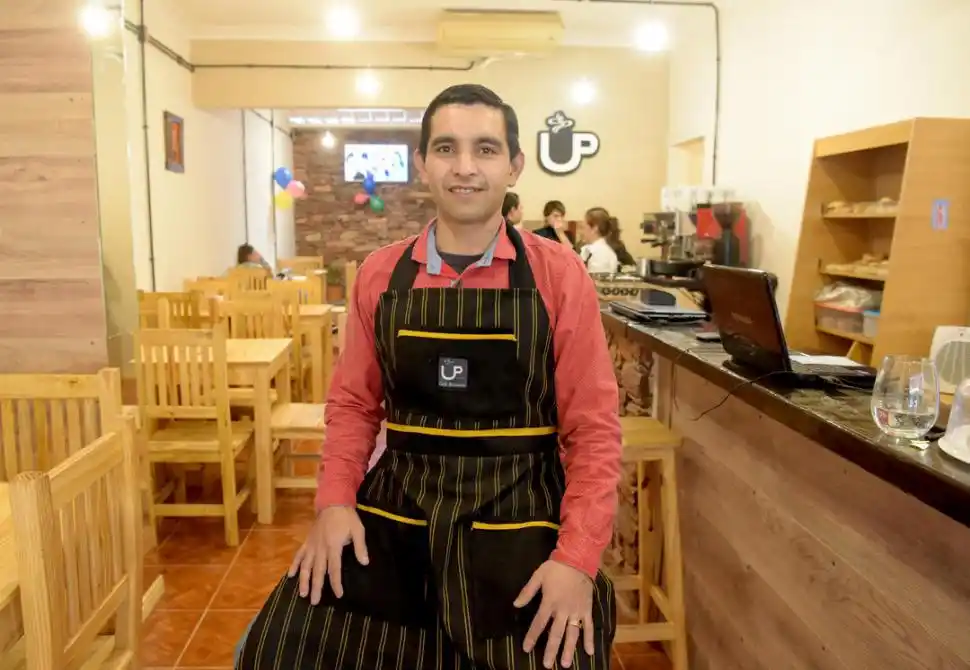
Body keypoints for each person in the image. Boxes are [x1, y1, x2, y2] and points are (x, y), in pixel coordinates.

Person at [235, 83, 620, 670]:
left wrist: (576, 560)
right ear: (422, 164)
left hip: (521, 508)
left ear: (514, 165)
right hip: (401, 507)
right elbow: (353, 406)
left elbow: (593, 431)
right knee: (270, 651)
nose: (465, 167)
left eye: (486, 149)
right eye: (446, 148)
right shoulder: (379, 276)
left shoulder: (559, 277)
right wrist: (334, 504)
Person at [579, 207, 636, 273]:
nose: (580, 232)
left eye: (582, 227)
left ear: (594, 228)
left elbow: (594, 281)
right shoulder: (589, 250)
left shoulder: (601, 254)